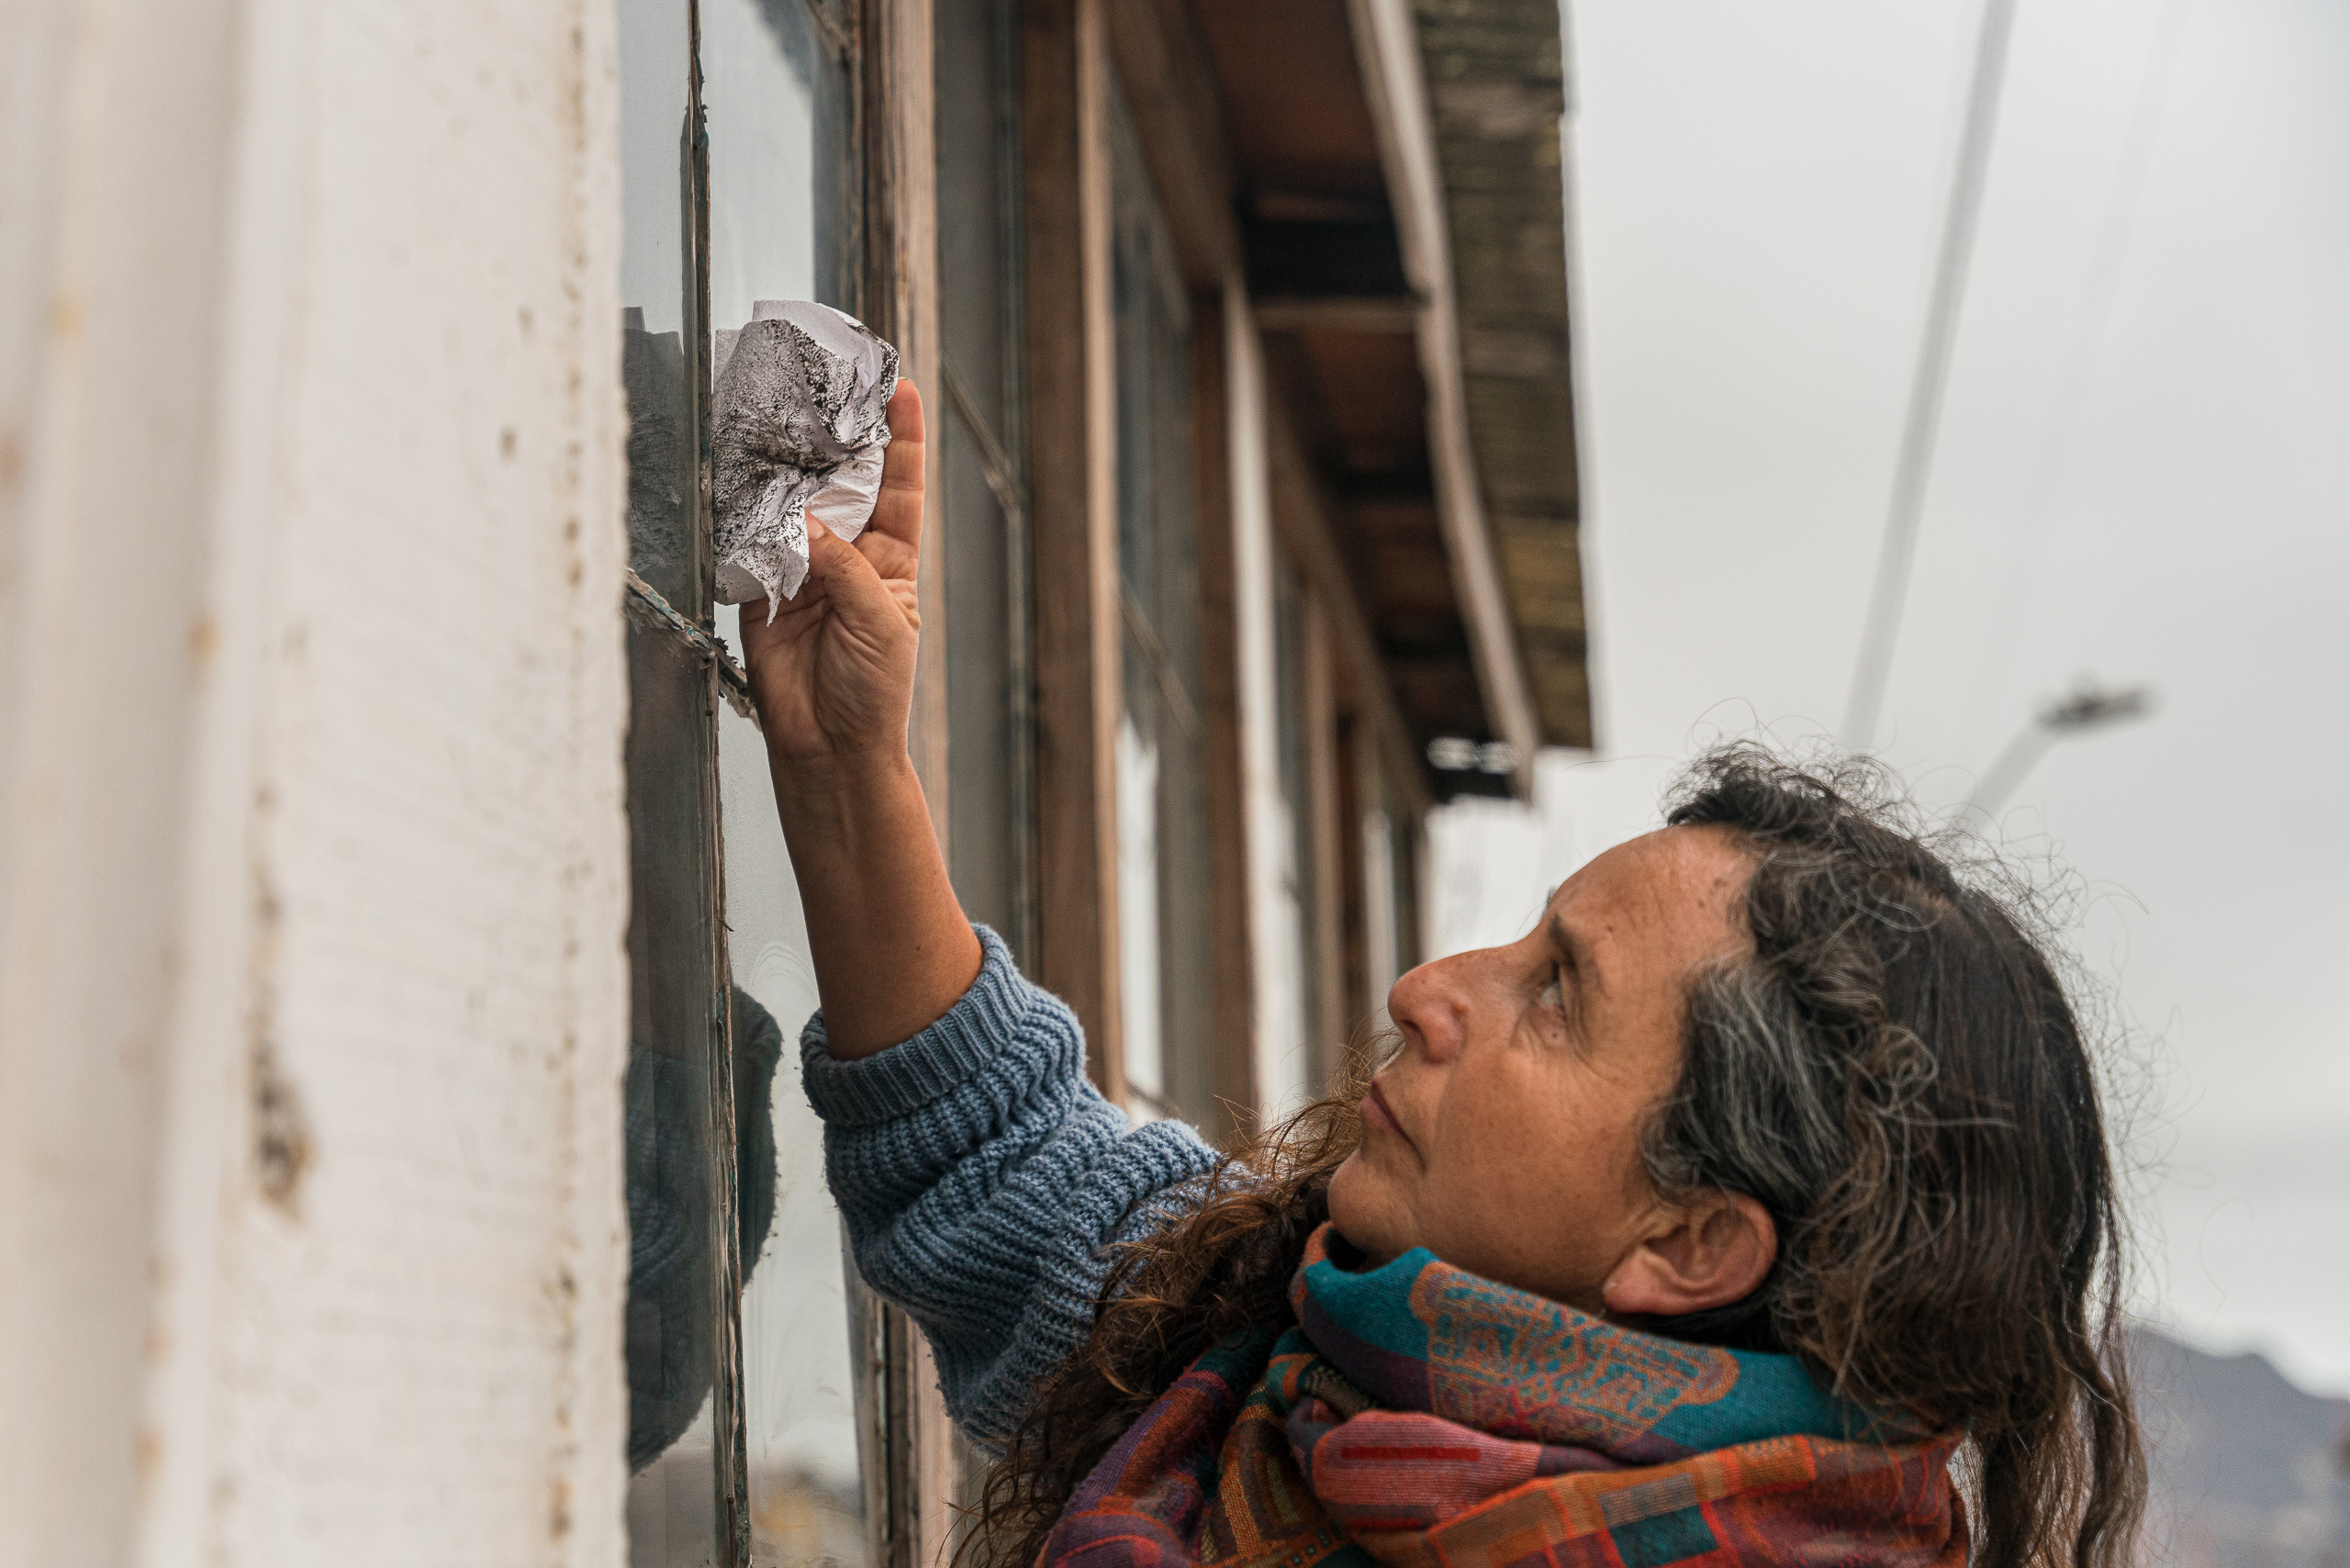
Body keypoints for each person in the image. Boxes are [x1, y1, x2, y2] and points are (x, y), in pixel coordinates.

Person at [740, 383, 2145, 1568]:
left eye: (1557, 994)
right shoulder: (1274, 1324)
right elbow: (1002, 1168)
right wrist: (844, 761)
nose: (1429, 988)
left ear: (1691, 1243)